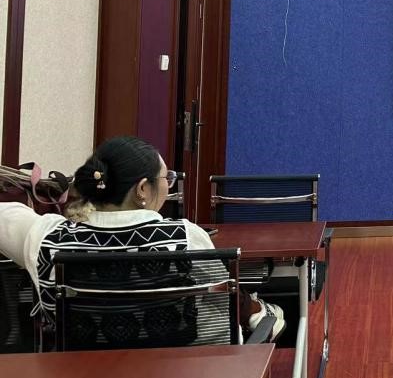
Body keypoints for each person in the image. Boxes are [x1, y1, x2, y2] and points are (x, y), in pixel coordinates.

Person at [0, 135, 284, 339]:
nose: (168, 185)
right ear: (142, 190)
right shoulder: (186, 237)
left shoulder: (47, 238)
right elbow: (222, 311)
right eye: (166, 178)